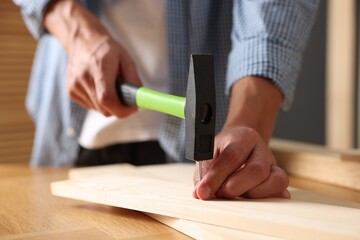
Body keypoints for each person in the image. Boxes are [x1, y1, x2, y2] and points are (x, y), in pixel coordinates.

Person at [13, 0, 319, 200]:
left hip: (189, 159)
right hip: (72, 127)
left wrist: (247, 122)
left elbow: (275, 10)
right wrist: (77, 29)